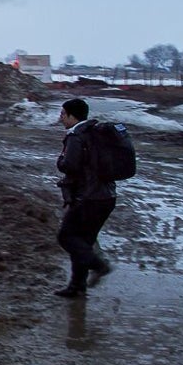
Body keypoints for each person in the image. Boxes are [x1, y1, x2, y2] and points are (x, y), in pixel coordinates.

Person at [53, 97, 116, 298]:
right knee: (83, 242)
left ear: (73, 116)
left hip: (88, 197)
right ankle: (77, 287)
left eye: (63, 114)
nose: (60, 118)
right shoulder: (96, 132)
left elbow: (69, 165)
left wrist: (60, 161)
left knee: (66, 236)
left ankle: (99, 266)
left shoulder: (76, 136)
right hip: (106, 196)